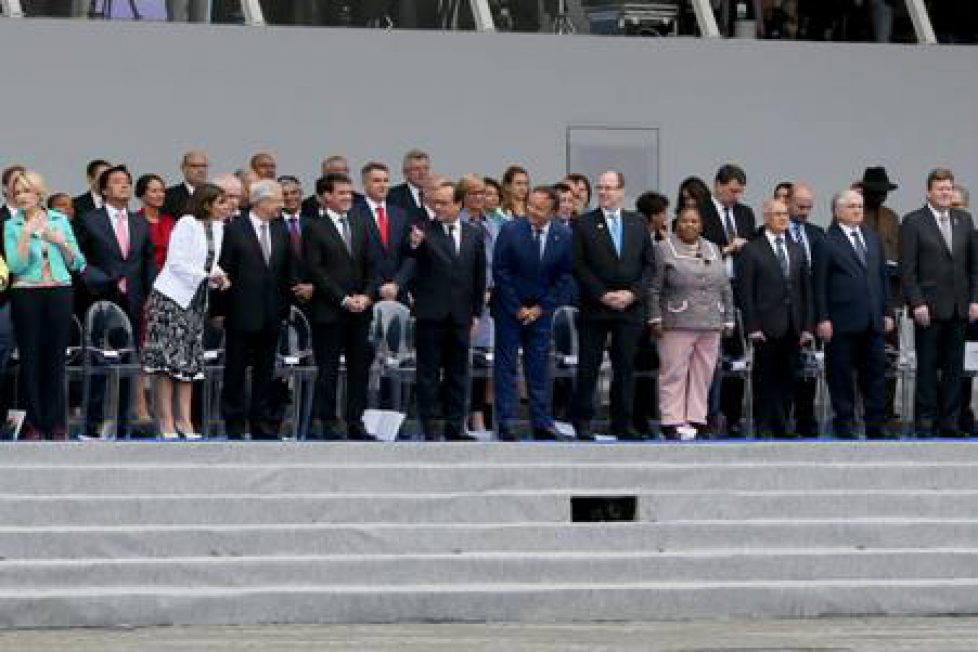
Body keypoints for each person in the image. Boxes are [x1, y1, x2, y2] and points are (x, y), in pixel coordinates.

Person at [570, 170, 655, 441]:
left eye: (609, 188)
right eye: (600, 187)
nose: (604, 192)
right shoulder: (583, 223)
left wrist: (632, 294)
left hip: (629, 308)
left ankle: (623, 424)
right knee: (589, 366)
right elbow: (579, 265)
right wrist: (603, 294)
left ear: (621, 191)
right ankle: (582, 422)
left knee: (625, 368)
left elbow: (649, 266)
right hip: (596, 307)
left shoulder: (637, 223)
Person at [75, 165, 157, 439]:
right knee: (98, 364)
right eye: (118, 182)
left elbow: (147, 262)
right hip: (99, 300)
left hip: (133, 301)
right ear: (104, 189)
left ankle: (123, 425)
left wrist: (150, 295)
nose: (124, 186)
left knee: (127, 364)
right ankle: (92, 425)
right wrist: (105, 280)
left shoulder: (139, 222)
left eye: (128, 182)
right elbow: (79, 260)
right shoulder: (89, 220)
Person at [142, 184, 229, 439]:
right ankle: (166, 422)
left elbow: (211, 262)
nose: (227, 207)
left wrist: (220, 276)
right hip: (171, 299)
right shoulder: (187, 223)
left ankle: (185, 420)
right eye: (222, 202)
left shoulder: (219, 227)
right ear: (206, 204)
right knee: (166, 363)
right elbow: (177, 262)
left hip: (195, 301)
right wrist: (208, 276)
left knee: (188, 362)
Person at [4, 170, 84, 440]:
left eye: (26, 191)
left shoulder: (59, 220)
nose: (21, 196)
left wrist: (62, 244)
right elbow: (16, 266)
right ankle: (33, 424)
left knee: (54, 359)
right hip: (26, 293)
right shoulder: (12, 226)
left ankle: (56, 423)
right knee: (30, 359)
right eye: (17, 192)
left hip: (59, 291)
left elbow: (78, 263)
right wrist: (26, 235)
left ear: (39, 194)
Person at [406, 179, 487, 442]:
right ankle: (430, 426)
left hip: (461, 316)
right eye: (434, 202)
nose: (437, 208)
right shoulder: (423, 230)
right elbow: (410, 259)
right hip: (431, 315)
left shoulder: (474, 234)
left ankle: (455, 426)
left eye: (443, 203)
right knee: (428, 374)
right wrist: (414, 245)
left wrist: (476, 313)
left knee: (458, 373)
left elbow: (478, 277)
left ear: (458, 204)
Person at [900, 168, 978, 437]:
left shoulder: (964, 220)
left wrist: (975, 300)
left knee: (955, 370)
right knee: (928, 369)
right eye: (940, 188)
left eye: (948, 188)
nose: (945, 193)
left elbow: (974, 267)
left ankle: (950, 423)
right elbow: (907, 270)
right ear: (929, 192)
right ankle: (925, 422)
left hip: (959, 308)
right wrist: (917, 302)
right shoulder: (913, 222)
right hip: (928, 309)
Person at [492, 185, 574, 441]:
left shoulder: (564, 235)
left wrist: (541, 308)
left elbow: (563, 276)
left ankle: (542, 422)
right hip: (509, 309)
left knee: (538, 367)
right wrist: (517, 308)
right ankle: (506, 422)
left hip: (541, 310)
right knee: (506, 367)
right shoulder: (510, 230)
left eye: (539, 208)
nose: (532, 211)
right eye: (530, 205)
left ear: (552, 210)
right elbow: (501, 271)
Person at [218, 180, 297, 440]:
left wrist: (286, 307)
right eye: (277, 200)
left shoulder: (281, 230)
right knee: (235, 370)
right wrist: (219, 311)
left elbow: (286, 270)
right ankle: (234, 423)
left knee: (265, 372)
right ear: (261, 201)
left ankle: (261, 423)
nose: (282, 205)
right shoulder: (234, 229)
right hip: (241, 312)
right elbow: (224, 269)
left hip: (272, 312)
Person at [303, 173, 379, 441]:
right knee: (329, 370)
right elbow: (316, 270)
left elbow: (373, 264)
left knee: (360, 368)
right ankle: (328, 422)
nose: (347, 197)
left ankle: (355, 421)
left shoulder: (361, 223)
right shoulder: (314, 227)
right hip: (330, 311)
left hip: (361, 311)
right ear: (326, 197)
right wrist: (343, 299)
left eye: (349, 193)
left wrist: (367, 297)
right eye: (341, 193)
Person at [648, 207, 733, 440]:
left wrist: (728, 319)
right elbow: (654, 288)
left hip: (710, 321)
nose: (689, 225)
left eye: (694, 221)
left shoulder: (713, 248)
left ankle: (697, 418)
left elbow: (724, 287)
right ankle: (671, 421)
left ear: (701, 225)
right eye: (685, 221)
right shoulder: (664, 249)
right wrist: (654, 318)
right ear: (677, 224)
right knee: (674, 372)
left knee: (703, 374)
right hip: (676, 320)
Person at [814, 190, 894, 439]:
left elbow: (882, 278)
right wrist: (822, 318)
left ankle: (875, 424)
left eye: (859, 206)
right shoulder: (826, 242)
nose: (858, 210)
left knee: (875, 375)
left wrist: (887, 311)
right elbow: (819, 285)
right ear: (837, 211)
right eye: (851, 206)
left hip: (872, 320)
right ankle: (845, 423)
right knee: (841, 376)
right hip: (841, 322)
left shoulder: (872, 238)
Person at [737, 199, 814, 438]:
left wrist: (807, 326)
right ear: (766, 216)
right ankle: (763, 425)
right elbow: (745, 292)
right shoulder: (753, 249)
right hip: (765, 325)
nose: (783, 218)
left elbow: (805, 290)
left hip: (792, 324)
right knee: (764, 378)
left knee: (788, 377)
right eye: (778, 214)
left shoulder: (796, 248)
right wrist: (752, 326)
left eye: (785, 215)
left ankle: (782, 426)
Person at [700, 164, 757, 437]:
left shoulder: (745, 214)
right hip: (709, 289)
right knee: (709, 357)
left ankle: (732, 416)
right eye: (732, 190)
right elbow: (695, 250)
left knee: (737, 355)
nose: (736, 196)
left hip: (739, 289)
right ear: (718, 185)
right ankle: (707, 415)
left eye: (740, 192)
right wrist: (726, 249)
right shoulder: (700, 211)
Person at [786, 183, 826, 438]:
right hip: (786, 310)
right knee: (787, 369)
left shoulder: (817, 233)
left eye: (809, 208)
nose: (804, 212)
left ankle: (806, 420)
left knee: (809, 369)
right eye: (800, 207)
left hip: (812, 307)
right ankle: (782, 420)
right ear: (788, 202)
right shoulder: (773, 232)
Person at [458, 174, 496, 432]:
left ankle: (480, 412)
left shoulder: (495, 226)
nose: (479, 198)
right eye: (473, 193)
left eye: (482, 193)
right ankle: (460, 411)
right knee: (462, 359)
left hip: (491, 301)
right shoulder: (455, 222)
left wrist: (492, 290)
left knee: (486, 360)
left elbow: (502, 263)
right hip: (462, 301)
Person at [632, 191, 670, 435]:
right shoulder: (638, 236)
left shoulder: (659, 238)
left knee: (649, 367)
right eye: (663, 213)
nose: (666, 217)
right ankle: (637, 418)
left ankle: (646, 416)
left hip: (653, 310)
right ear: (654, 215)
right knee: (636, 367)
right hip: (638, 309)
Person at [350, 162, 414, 304]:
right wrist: (377, 287)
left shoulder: (400, 214)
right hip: (365, 296)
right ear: (365, 185)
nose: (383, 185)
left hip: (397, 293)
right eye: (377, 181)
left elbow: (409, 254)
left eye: (386, 180)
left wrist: (397, 283)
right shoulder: (352, 214)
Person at [387, 149, 430, 224]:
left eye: (425, 168)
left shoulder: (436, 194)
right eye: (416, 169)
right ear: (405, 173)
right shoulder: (392, 196)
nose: (422, 173)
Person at [164, 150, 209, 219]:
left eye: (204, 166)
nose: (201, 170)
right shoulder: (168, 196)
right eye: (195, 166)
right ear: (183, 168)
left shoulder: (215, 195)